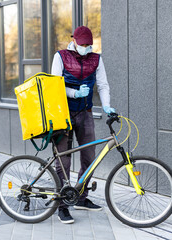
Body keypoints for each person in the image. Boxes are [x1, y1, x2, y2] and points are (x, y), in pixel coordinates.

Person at [51, 26, 115, 223]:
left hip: (85, 113)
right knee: (64, 161)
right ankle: (62, 206)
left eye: (89, 45)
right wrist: (74, 93)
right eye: (83, 44)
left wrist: (106, 106)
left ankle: (81, 197)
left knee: (89, 157)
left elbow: (103, 84)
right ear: (74, 41)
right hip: (63, 114)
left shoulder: (96, 59)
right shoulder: (60, 57)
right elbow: (55, 85)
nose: (86, 48)